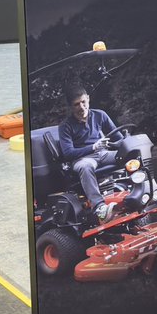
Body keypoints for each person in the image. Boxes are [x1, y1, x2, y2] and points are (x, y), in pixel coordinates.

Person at [57, 86, 126, 221]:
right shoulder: (65, 126)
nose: (81, 107)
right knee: (85, 167)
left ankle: (140, 189)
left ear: (88, 99)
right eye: (76, 104)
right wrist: (93, 147)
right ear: (71, 107)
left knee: (129, 152)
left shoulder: (100, 115)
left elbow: (118, 139)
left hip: (103, 154)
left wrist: (122, 145)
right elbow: (68, 153)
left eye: (83, 102)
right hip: (81, 159)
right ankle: (100, 208)